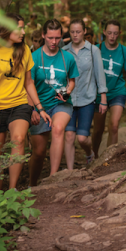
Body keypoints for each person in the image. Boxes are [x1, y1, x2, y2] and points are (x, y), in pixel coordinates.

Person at [0, 14, 52, 190]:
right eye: (19, 27)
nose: (23, 31)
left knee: (18, 140)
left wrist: (39, 108)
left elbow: (29, 82)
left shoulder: (25, 49)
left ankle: (12, 191)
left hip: (19, 105)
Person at [28, 19, 79, 186]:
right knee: (39, 152)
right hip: (39, 105)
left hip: (61, 103)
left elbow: (72, 81)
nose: (54, 42)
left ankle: (52, 180)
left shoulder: (68, 58)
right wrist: (33, 110)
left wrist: (68, 91)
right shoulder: (33, 58)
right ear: (43, 35)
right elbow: (29, 86)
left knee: (58, 129)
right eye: (50, 38)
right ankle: (32, 183)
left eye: (57, 38)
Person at [63, 19, 108, 169]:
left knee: (82, 138)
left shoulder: (93, 50)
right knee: (69, 136)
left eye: (78, 32)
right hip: (68, 100)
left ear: (84, 32)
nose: (75, 35)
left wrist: (103, 97)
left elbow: (99, 74)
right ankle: (69, 172)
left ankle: (90, 154)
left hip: (87, 99)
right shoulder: (64, 51)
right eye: (72, 32)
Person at [92, 20, 126, 158]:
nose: (112, 36)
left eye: (115, 33)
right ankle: (93, 156)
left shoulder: (124, 52)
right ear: (104, 32)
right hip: (99, 94)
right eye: (109, 33)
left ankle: (109, 158)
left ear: (119, 33)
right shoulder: (96, 49)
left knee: (113, 125)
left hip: (118, 92)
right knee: (98, 130)